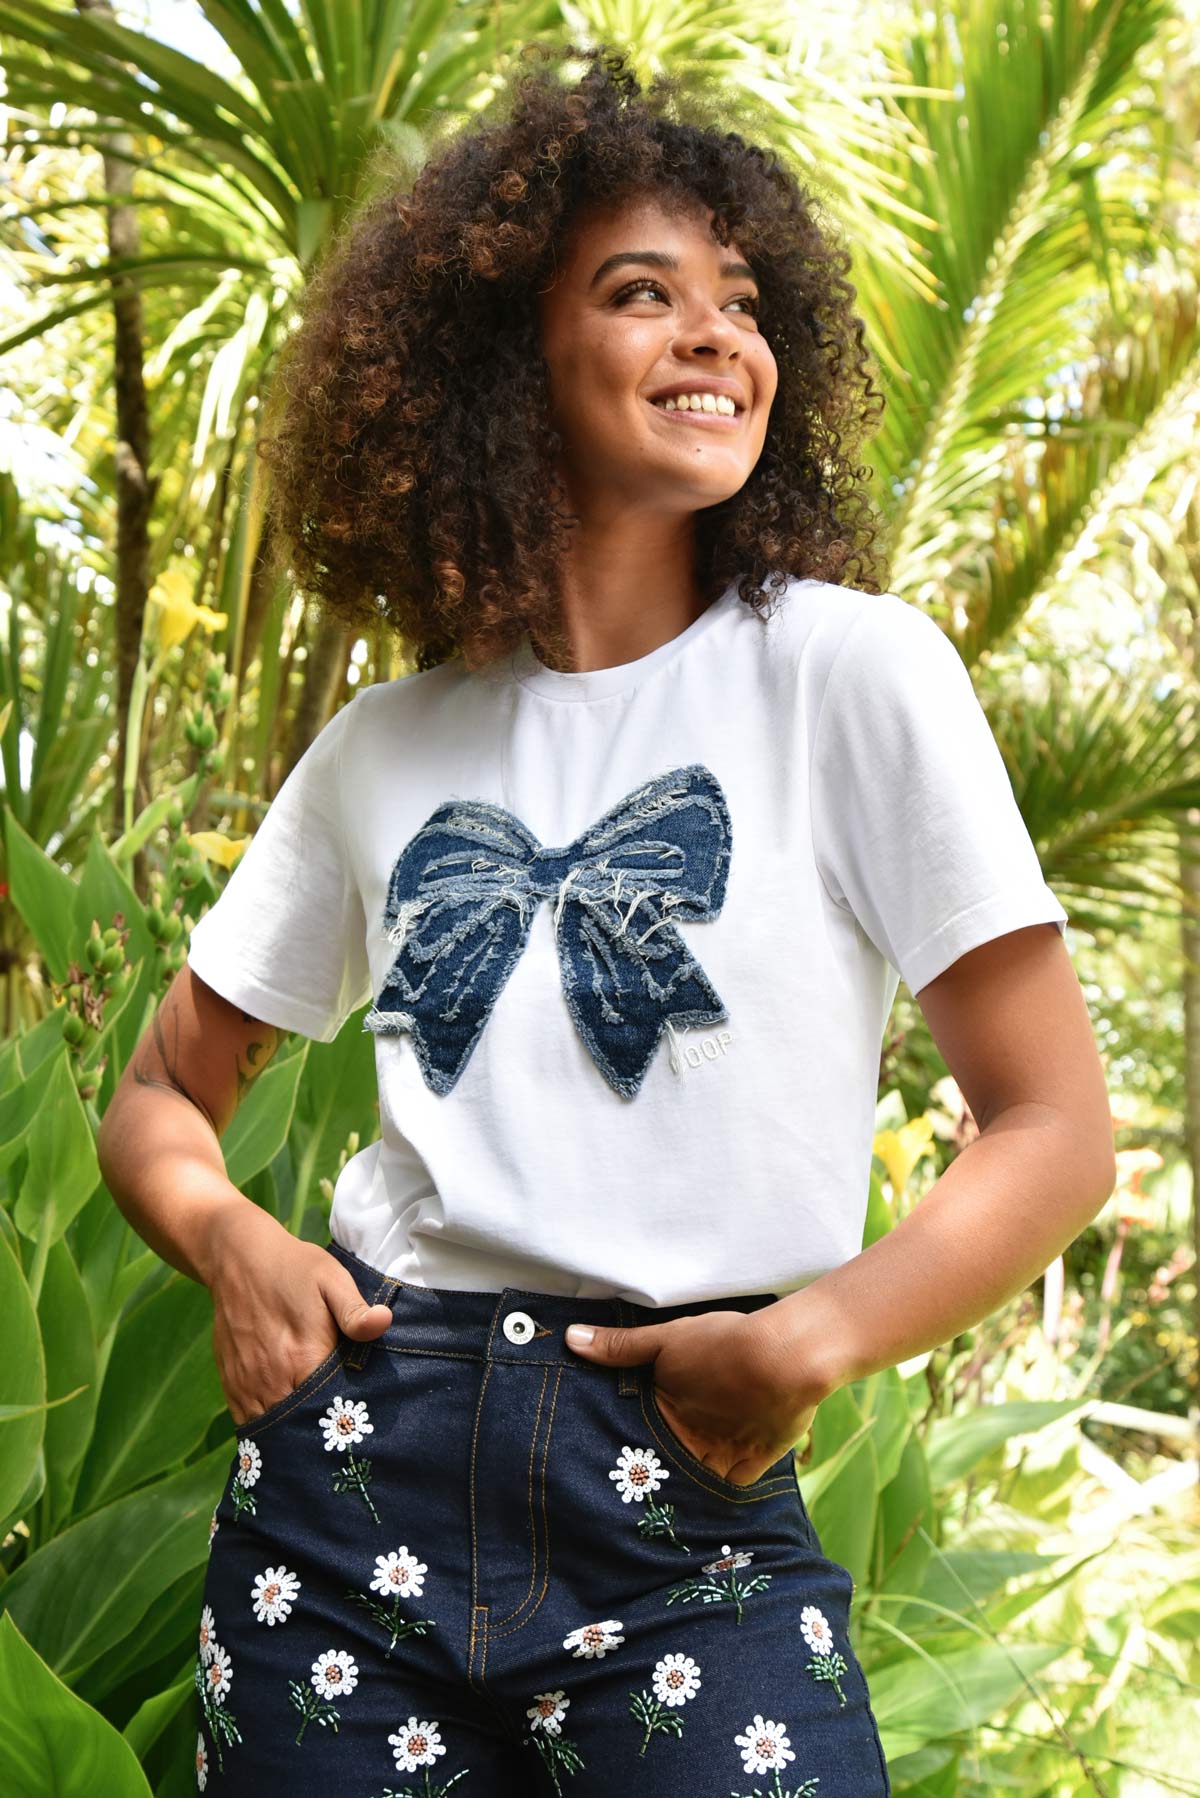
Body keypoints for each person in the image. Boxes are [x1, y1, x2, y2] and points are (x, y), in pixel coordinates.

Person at [97, 42, 1115, 1798]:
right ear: (507, 359)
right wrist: (230, 1242)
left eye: (744, 302)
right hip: (354, 1490)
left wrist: (810, 1338)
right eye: (645, 293)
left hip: (684, 1481)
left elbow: (1059, 1128)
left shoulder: (851, 678)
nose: (716, 334)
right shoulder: (383, 745)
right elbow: (156, 1099)